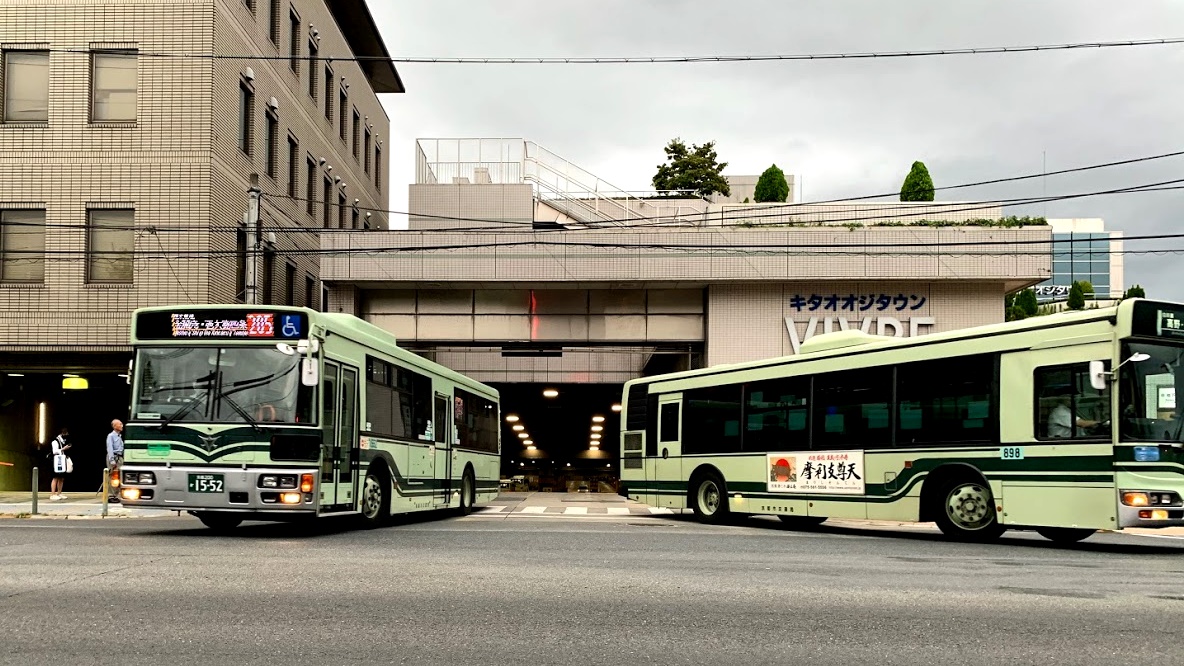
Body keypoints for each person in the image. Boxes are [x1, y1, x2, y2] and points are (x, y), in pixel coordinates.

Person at [49, 428, 71, 500]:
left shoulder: (62, 441)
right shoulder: (55, 441)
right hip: (56, 460)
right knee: (55, 477)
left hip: (62, 459)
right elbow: (54, 451)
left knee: (61, 477)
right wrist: (63, 449)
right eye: (65, 434)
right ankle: (52, 494)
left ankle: (59, 493)